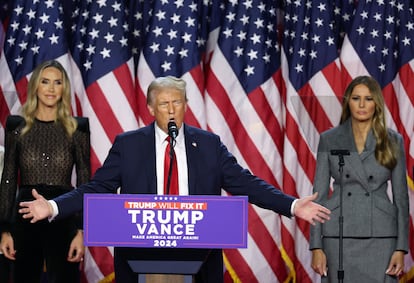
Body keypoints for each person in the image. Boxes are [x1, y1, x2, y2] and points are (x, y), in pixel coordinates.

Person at [19, 76, 330, 283]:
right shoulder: (129, 145)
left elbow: (245, 183)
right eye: (164, 104)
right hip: (141, 259)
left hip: (198, 260)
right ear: (151, 108)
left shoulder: (208, 145)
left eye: (177, 102)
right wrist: (55, 208)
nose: (171, 110)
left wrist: (291, 205)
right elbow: (97, 187)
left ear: (186, 106)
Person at [309, 76, 409, 282]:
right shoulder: (329, 139)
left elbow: (401, 199)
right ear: (348, 102)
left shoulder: (393, 140)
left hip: (381, 235)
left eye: (368, 99)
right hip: (338, 234)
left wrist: (401, 247)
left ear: (377, 103)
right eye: (356, 98)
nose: (362, 105)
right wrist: (316, 246)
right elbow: (317, 196)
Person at [0, 60, 91, 283]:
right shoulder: (16, 126)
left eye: (57, 83)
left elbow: (85, 180)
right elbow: (9, 180)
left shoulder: (77, 128)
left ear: (64, 88)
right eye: (45, 82)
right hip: (24, 216)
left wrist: (81, 232)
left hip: (63, 213)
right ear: (36, 87)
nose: (51, 89)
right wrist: (4, 230)